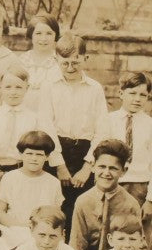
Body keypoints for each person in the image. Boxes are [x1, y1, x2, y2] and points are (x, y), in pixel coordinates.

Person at [38, 33, 108, 222]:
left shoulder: (95, 88)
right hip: (55, 151)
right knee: (53, 209)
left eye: (75, 63)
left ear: (85, 58)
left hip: (85, 152)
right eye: (65, 63)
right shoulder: (49, 86)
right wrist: (59, 165)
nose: (70, 68)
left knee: (80, 211)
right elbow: (46, 125)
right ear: (56, 59)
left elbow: (102, 129)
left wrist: (88, 166)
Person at [89, 72, 152, 212]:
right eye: (132, 93)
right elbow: (97, 155)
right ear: (121, 93)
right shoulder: (108, 120)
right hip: (110, 182)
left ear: (148, 96)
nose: (137, 99)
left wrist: (151, 200)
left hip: (140, 186)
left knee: (136, 229)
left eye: (143, 95)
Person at [70, 139, 144, 250]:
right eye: (102, 167)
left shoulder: (130, 204)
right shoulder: (83, 201)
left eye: (113, 168)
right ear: (93, 166)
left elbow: (137, 245)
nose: (106, 173)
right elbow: (77, 243)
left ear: (123, 171)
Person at [0, 70, 64, 175]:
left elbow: (52, 144)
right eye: (8, 87)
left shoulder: (35, 118)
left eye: (19, 87)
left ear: (27, 88)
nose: (13, 92)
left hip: (23, 171)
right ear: (0, 87)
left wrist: (61, 167)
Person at [0, 131, 63, 234]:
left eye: (39, 154)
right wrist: (21, 226)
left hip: (43, 232)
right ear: (21, 154)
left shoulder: (53, 183)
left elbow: (55, 215)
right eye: (29, 153)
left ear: (47, 157)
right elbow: (0, 213)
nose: (34, 158)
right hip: (13, 229)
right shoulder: (10, 178)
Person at [15, 15, 62, 105]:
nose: (43, 38)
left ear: (55, 35)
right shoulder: (22, 61)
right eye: (38, 33)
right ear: (31, 35)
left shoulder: (60, 62)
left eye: (49, 33)